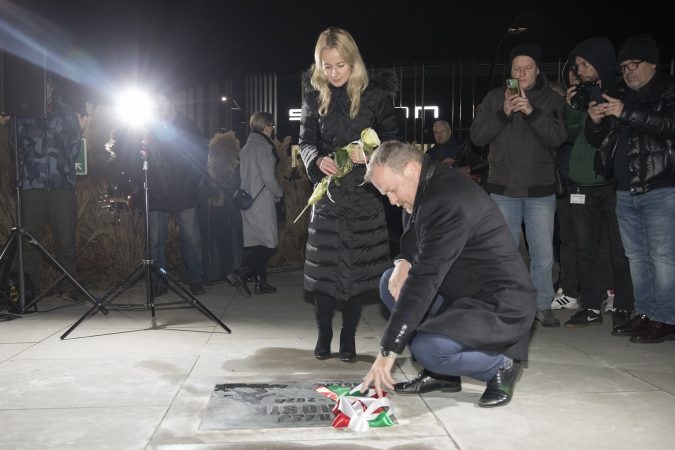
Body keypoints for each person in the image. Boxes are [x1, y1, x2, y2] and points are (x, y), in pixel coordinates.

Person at [360, 141, 537, 407]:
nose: (392, 201)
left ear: (411, 169)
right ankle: (443, 375)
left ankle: (500, 365)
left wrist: (388, 350)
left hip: (498, 301)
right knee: (390, 282)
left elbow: (425, 279)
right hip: (459, 292)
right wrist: (404, 260)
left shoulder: (448, 199)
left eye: (392, 190)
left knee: (429, 349)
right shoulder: (426, 185)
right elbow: (416, 239)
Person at [299, 27, 400, 362]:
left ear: (353, 62)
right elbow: (306, 142)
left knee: (358, 274)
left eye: (340, 65)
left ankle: (347, 336)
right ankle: (324, 332)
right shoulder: (314, 97)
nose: (333, 73)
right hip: (328, 197)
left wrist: (369, 155)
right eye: (326, 66)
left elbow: (394, 143)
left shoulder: (376, 97)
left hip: (364, 197)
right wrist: (317, 160)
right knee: (324, 273)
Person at [470, 42, 567, 327]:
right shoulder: (494, 97)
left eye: (527, 68)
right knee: (503, 253)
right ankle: (506, 305)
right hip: (502, 189)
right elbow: (477, 137)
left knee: (543, 255)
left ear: (537, 70)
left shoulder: (551, 100)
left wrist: (532, 112)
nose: (521, 73)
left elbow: (558, 138)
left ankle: (542, 305)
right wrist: (502, 112)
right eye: (516, 68)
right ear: (510, 71)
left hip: (540, 190)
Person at [586, 34, 675, 343]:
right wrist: (594, 121)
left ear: (652, 63)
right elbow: (599, 141)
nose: (628, 71)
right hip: (625, 189)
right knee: (636, 257)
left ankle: (667, 318)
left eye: (634, 64)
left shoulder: (668, 89)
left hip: (661, 186)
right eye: (623, 66)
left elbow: (669, 125)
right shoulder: (620, 94)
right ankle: (647, 313)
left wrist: (625, 112)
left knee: (662, 256)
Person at [560, 37, 634, 329]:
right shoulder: (578, 95)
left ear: (600, 63)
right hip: (581, 182)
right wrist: (573, 107)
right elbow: (568, 134)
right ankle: (590, 305)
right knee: (583, 249)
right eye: (576, 65)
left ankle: (623, 305)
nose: (579, 70)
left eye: (584, 64)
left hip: (612, 182)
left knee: (617, 249)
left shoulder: (622, 93)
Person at [9, 75, 82, 299]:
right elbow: (14, 145)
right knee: (29, 241)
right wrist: (28, 171)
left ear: (51, 87)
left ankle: (68, 288)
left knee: (66, 241)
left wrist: (61, 167)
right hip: (32, 187)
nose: (44, 89)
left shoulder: (67, 112)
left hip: (62, 187)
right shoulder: (22, 113)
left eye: (47, 85)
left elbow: (75, 145)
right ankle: (27, 290)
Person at [145, 93, 208, 296]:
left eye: (163, 99)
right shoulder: (147, 128)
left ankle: (195, 279)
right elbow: (134, 156)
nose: (159, 104)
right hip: (156, 193)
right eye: (156, 101)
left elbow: (201, 153)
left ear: (171, 101)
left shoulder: (187, 126)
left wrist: (192, 180)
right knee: (155, 242)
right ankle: (159, 281)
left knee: (192, 239)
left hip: (184, 192)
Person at [226, 112, 284, 296]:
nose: (272, 129)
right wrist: (280, 193)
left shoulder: (246, 147)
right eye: (271, 125)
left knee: (257, 244)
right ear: (265, 127)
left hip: (247, 201)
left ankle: (261, 283)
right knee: (269, 244)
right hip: (262, 203)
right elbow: (268, 177)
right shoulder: (264, 147)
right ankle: (241, 273)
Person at [201, 129, 243, 281]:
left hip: (213, 204)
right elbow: (237, 182)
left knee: (213, 241)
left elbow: (207, 181)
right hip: (230, 204)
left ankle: (213, 273)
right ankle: (230, 270)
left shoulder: (210, 160)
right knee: (230, 240)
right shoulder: (234, 162)